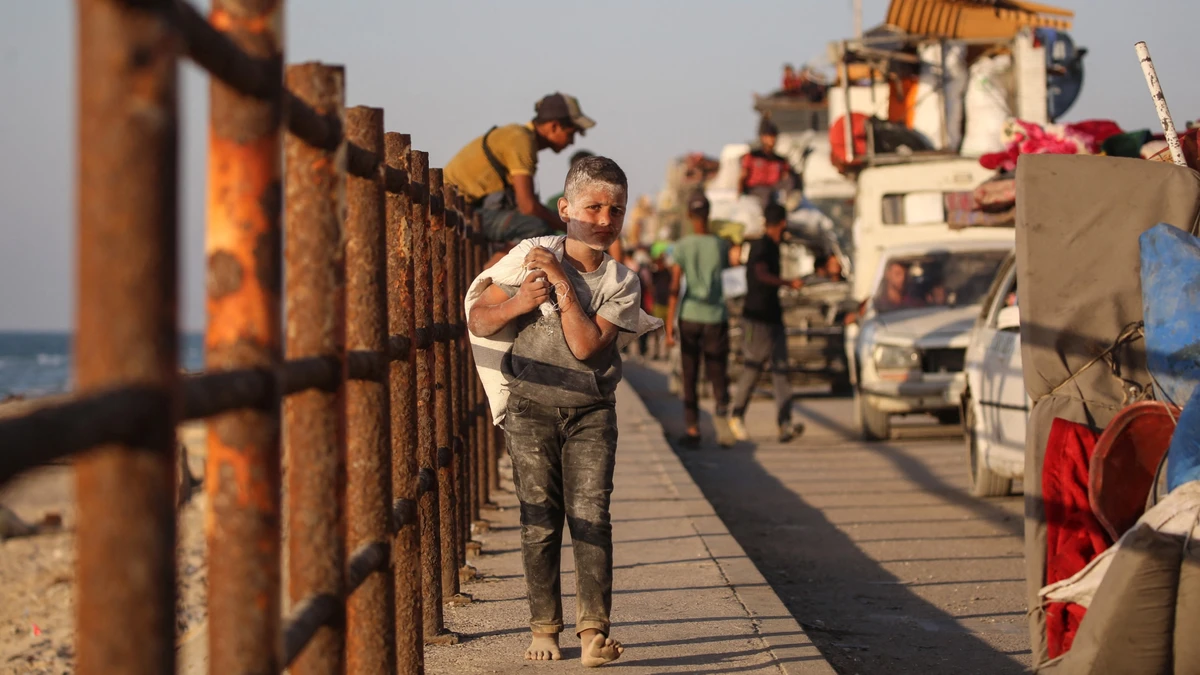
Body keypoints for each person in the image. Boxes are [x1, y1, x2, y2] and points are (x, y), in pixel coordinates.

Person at [466, 156, 643, 668]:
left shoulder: (622, 283)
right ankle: (544, 625)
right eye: (593, 206)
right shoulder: (531, 256)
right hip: (530, 409)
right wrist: (521, 302)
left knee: (591, 515)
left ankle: (594, 632)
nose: (604, 220)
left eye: (617, 210)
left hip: (591, 412)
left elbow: (587, 347)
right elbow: (480, 316)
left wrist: (562, 285)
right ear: (565, 209)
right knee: (538, 519)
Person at [445, 92, 595, 243]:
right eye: (571, 134)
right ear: (554, 126)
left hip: (465, 207)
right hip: (456, 209)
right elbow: (528, 206)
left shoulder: (520, 137)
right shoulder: (521, 140)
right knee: (536, 228)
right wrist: (572, 226)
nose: (572, 142)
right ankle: (493, 267)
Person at [666, 192, 739, 448]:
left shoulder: (682, 246)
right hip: (716, 316)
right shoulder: (720, 245)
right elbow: (734, 267)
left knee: (690, 375)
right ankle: (722, 427)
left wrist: (668, 326)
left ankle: (693, 429)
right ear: (709, 215)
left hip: (689, 316)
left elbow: (675, 286)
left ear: (689, 215)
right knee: (718, 373)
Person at [729, 203, 806, 443]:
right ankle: (736, 415)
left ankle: (785, 423)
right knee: (753, 368)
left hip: (773, 317)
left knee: (781, 371)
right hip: (757, 318)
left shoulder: (773, 246)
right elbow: (761, 274)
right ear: (782, 223)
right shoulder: (762, 246)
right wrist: (787, 283)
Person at [738, 118, 796, 207]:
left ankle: (789, 207)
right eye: (770, 136)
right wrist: (739, 194)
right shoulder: (753, 156)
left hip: (773, 187)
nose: (773, 140)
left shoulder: (780, 160)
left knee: (790, 182)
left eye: (774, 137)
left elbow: (786, 176)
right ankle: (766, 217)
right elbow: (743, 176)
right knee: (766, 194)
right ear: (763, 138)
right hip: (756, 188)